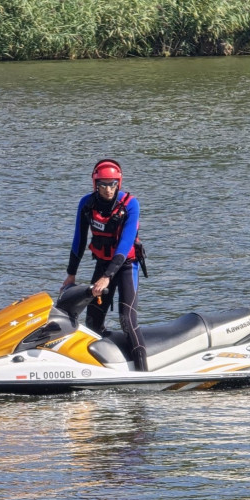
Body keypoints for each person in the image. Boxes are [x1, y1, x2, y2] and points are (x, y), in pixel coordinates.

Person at [62, 159, 148, 372]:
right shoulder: (86, 204)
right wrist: (71, 275)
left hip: (126, 265)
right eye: (103, 184)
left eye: (112, 184)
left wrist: (107, 276)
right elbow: (79, 241)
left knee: (127, 318)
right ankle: (108, 365)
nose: (108, 189)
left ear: (118, 183)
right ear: (95, 185)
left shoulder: (130, 204)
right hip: (102, 264)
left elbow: (125, 244)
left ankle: (143, 371)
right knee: (92, 322)